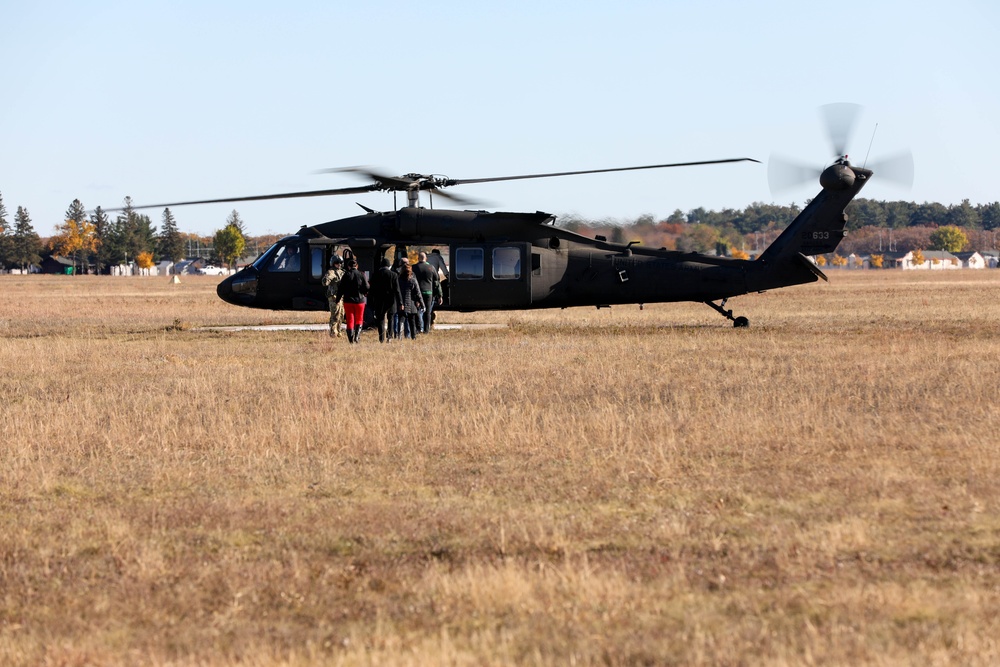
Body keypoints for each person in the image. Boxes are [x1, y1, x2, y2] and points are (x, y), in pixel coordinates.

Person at [335, 257, 370, 344]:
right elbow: (367, 286)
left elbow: (341, 289)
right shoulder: (361, 274)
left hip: (348, 301)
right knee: (359, 318)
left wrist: (337, 299)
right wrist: (364, 292)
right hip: (360, 301)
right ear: (357, 266)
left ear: (348, 267)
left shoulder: (346, 275)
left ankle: (350, 340)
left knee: (350, 319)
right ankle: (357, 337)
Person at [368, 257, 402, 343]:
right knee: (391, 318)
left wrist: (371, 301)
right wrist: (400, 302)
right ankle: (389, 336)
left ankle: (381, 338)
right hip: (391, 300)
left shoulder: (376, 274)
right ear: (389, 266)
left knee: (381, 319)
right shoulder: (393, 275)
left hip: (379, 300)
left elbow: (371, 289)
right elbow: (397, 290)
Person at [412, 251, 442, 333]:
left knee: (417, 311)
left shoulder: (413, 268)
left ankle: (418, 328)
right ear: (426, 258)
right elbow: (436, 282)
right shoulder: (431, 268)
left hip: (417, 293)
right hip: (429, 293)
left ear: (418, 258)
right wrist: (439, 295)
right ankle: (426, 330)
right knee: (428, 312)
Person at [395, 262, 424, 340]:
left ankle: (399, 336)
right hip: (411, 303)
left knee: (401, 320)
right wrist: (422, 304)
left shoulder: (398, 279)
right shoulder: (412, 280)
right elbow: (418, 293)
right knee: (412, 321)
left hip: (401, 303)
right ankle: (413, 337)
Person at [320, 255, 345, 338]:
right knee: (335, 314)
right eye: (337, 263)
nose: (339, 265)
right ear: (333, 264)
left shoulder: (342, 272)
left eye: (340, 263)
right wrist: (328, 279)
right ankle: (333, 332)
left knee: (341, 314)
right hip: (334, 296)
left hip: (341, 296)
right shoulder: (331, 272)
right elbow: (325, 282)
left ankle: (338, 331)